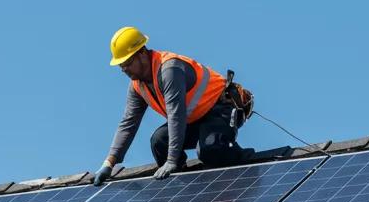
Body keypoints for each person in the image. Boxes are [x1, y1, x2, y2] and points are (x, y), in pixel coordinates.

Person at [93, 27, 252, 185]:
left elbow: (176, 115)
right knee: (159, 141)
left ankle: (245, 162)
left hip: (220, 111)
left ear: (142, 53)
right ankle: (183, 186)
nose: (124, 69)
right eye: (121, 65)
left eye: (127, 63)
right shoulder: (137, 85)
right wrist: (109, 163)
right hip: (194, 120)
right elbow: (128, 123)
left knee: (211, 148)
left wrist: (171, 160)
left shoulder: (169, 69)